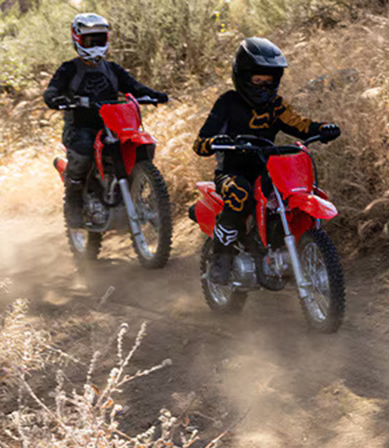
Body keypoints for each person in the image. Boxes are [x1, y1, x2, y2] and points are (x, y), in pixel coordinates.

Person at [192, 37, 341, 284]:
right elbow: (201, 141)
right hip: (231, 171)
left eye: (268, 80)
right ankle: (221, 257)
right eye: (257, 80)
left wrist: (323, 128)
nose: (263, 85)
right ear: (243, 75)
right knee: (239, 193)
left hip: (269, 169)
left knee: (292, 195)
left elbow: (301, 125)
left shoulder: (276, 105)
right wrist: (212, 142)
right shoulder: (228, 102)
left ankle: (282, 249)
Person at [43, 13, 169, 227]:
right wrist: (55, 98)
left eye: (100, 40)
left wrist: (155, 95)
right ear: (77, 39)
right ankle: (73, 205)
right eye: (90, 41)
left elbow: (134, 86)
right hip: (80, 128)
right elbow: (52, 90)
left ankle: (139, 192)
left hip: (114, 125)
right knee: (83, 153)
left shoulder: (113, 69)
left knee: (139, 149)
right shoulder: (69, 69)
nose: (95, 45)